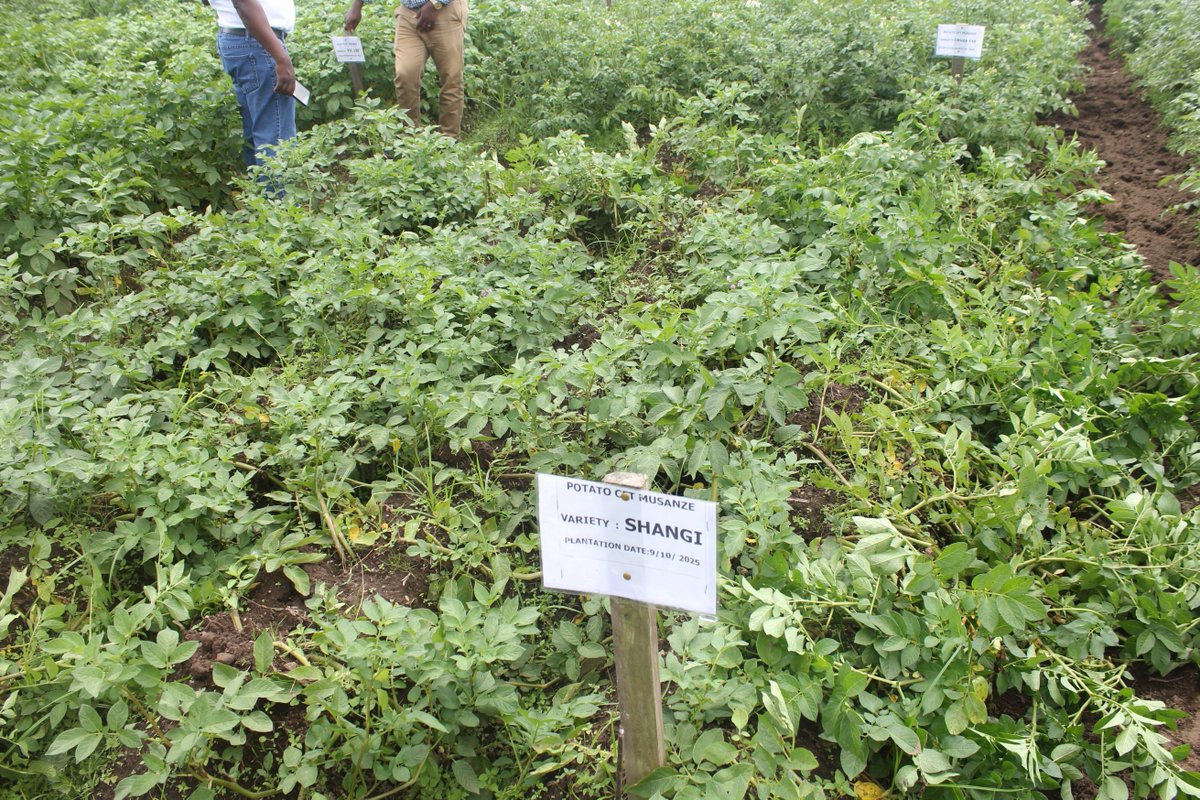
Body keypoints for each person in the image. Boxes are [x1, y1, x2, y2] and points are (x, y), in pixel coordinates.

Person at [343, 0, 468, 139]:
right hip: (408, 13)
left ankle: (449, 140)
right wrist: (357, 6)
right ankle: (410, 139)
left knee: (451, 77)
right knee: (405, 74)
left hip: (444, 11)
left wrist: (435, 4)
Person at [208, 0, 298, 168]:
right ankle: (276, 194)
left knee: (259, 132)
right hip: (256, 43)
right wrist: (281, 58)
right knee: (275, 140)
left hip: (245, 40)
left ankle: (260, 192)